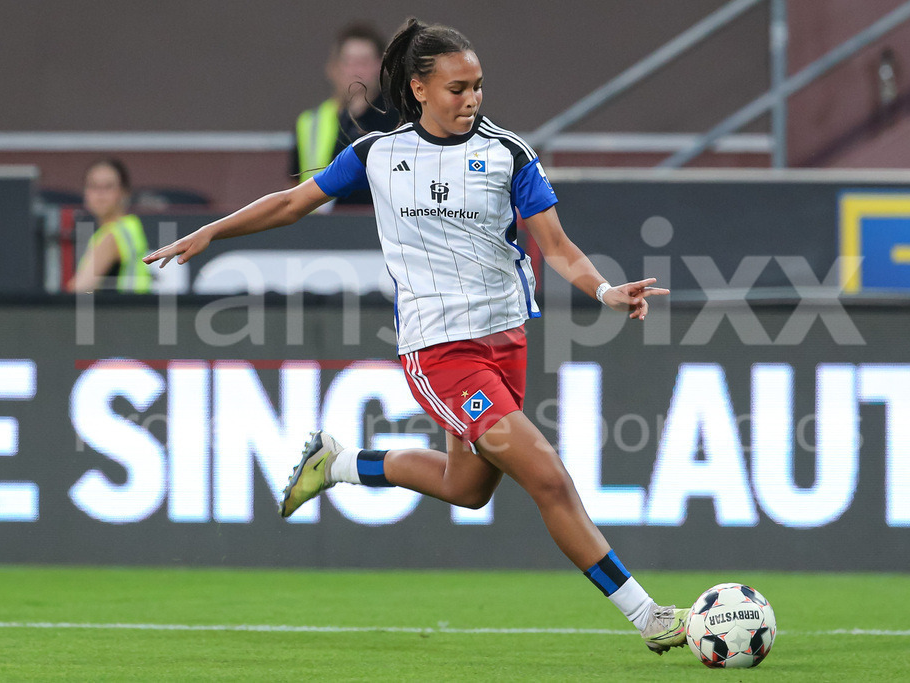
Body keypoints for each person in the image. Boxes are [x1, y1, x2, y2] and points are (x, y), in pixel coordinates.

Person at [144, 18, 681, 655]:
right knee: (548, 478)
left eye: (478, 86)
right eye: (457, 88)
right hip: (440, 351)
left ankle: (338, 463)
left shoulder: (508, 154)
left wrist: (604, 290)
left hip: (506, 340)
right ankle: (648, 616)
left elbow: (558, 247)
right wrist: (212, 230)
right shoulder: (378, 154)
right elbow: (291, 203)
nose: (472, 99)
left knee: (467, 489)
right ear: (419, 89)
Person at [290, 22, 400, 206]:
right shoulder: (311, 122)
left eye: (363, 62)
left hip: (380, 220)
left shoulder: (399, 119)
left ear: (379, 66)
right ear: (334, 68)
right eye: (348, 62)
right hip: (323, 221)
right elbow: (294, 186)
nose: (355, 71)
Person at [66, 159, 151, 293]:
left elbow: (80, 288)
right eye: (93, 186)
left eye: (108, 186)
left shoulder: (112, 235)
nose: (100, 194)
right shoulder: (131, 226)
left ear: (124, 192)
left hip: (126, 305)